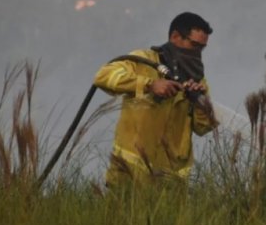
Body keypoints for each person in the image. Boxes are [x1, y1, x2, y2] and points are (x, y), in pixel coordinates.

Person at [93, 12, 217, 186]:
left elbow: (203, 128)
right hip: (131, 173)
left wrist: (200, 103)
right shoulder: (144, 61)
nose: (197, 52)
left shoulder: (197, 79)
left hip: (172, 180)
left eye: (201, 48)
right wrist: (149, 85)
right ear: (175, 36)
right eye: (194, 44)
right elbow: (103, 76)